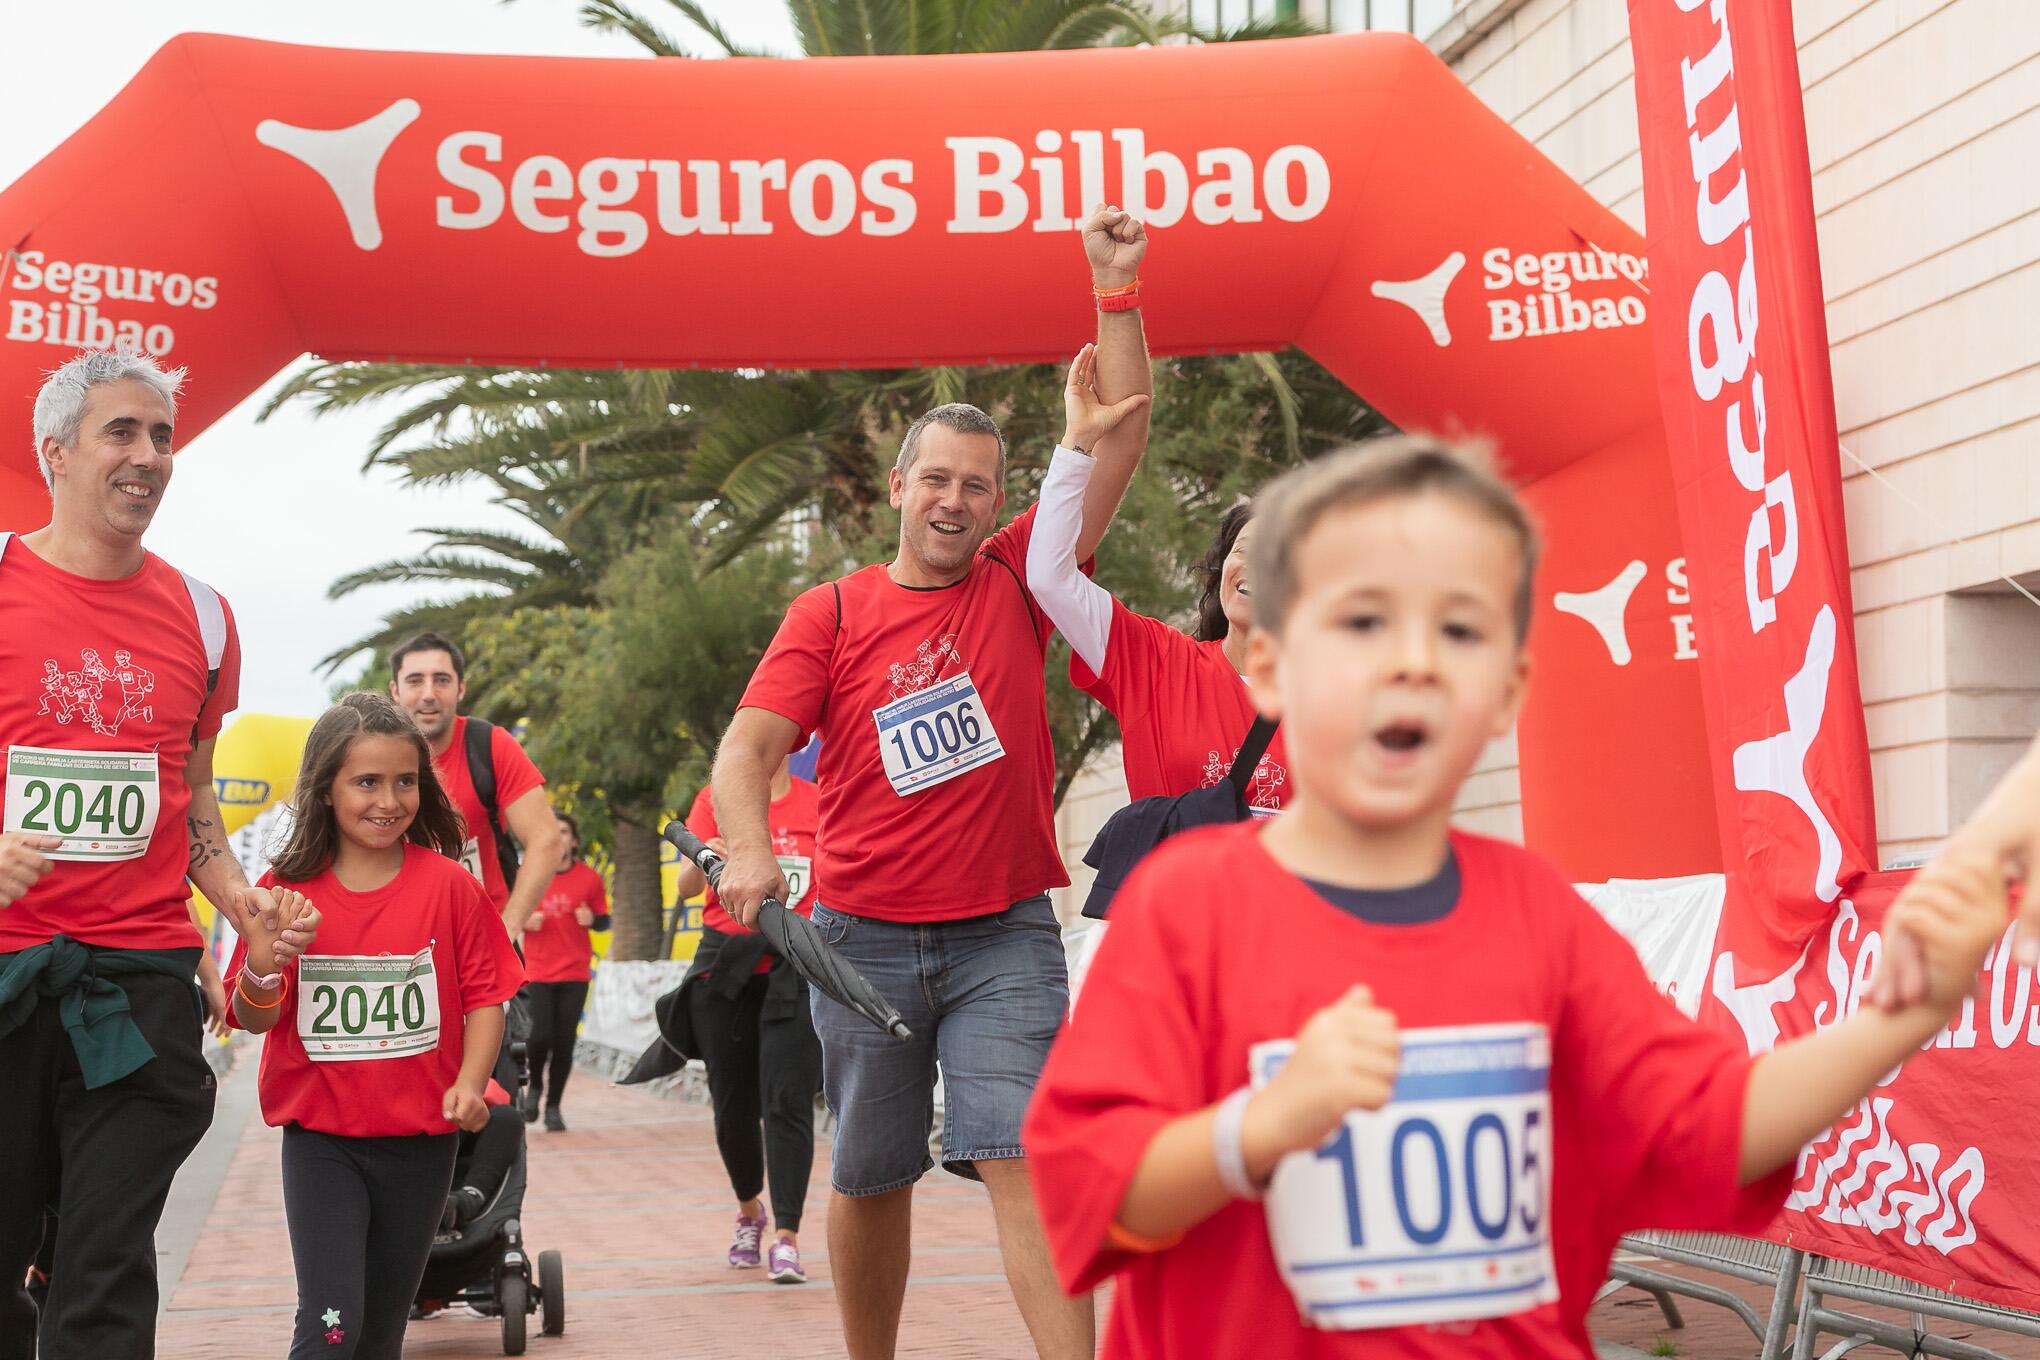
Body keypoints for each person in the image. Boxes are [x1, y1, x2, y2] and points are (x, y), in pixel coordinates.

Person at [1021, 438, 2013, 1359]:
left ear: (1504, 687)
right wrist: (1263, 1125)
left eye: (1455, 629)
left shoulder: (1545, 925)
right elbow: (1096, 1192)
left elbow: (1715, 1129)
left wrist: (1901, 1013)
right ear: (1272, 666)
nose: (1404, 665)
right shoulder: (1182, 909)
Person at [710, 204, 1155, 1359]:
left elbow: (1115, 437)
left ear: (999, 502)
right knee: (871, 1175)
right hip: (860, 941)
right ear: (899, 487)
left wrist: (1116, 290)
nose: (957, 502)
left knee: (1025, 1155)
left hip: (1004, 935)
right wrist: (752, 849)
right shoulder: (836, 611)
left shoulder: (1021, 577)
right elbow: (747, 750)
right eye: (938, 481)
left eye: (979, 486)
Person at [0, 349, 319, 1360]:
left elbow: (191, 811)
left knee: (103, 1263)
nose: (149, 456)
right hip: (7, 975)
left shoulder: (206, 618)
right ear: (55, 452)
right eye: (122, 433)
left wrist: (241, 900)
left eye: (163, 436)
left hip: (138, 993)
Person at [226, 692, 524, 1360]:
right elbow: (252, 1017)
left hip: (423, 1148)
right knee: (332, 1326)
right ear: (326, 790)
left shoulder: (449, 886)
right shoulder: (285, 890)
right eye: (366, 782)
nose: (388, 800)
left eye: (405, 781)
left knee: (382, 1332)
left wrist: (472, 1083)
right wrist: (267, 960)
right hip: (323, 1146)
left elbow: (485, 997)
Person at [1027, 459, 1288, 812]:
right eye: (1243, 550)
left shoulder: (1340, 703)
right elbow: (1049, 577)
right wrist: (1078, 444)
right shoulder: (1158, 662)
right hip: (1171, 868)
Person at [672, 756, 823, 1284]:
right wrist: (707, 855)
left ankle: (787, 1236)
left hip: (794, 968)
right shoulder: (716, 799)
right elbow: (687, 888)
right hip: (725, 968)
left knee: (788, 1101)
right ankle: (749, 1211)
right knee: (732, 1106)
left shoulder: (818, 800)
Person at [387, 632, 563, 934]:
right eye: (415, 681)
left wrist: (508, 928)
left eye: (441, 680)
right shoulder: (375, 753)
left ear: (461, 688)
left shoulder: (490, 746)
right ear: (395, 690)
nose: (428, 693)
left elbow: (546, 839)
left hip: (482, 939)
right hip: (403, 944)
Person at [519, 809, 609, 1130]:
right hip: (538, 972)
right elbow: (506, 913)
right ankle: (535, 1089)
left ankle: (554, 1105)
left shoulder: (589, 878)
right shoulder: (530, 875)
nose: (559, 838)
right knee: (539, 1037)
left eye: (565, 832)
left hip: (574, 972)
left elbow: (604, 919)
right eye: (553, 831)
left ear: (573, 841)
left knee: (564, 1042)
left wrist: (593, 921)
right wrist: (524, 921)